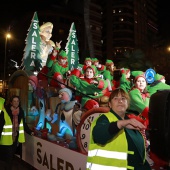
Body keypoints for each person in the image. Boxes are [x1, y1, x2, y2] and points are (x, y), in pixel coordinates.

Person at [86, 88, 151, 170]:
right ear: (109, 104)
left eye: (123, 99)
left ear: (128, 104)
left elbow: (139, 157)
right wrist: (121, 123)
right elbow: (99, 136)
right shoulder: (104, 119)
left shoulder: (131, 123)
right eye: (115, 98)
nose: (120, 101)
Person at [0, 95, 34, 170]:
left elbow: (23, 124)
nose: (16, 103)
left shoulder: (21, 112)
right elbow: (0, 124)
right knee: (8, 157)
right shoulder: (5, 111)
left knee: (11, 156)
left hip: (15, 138)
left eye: (17, 101)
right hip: (6, 139)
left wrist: (30, 132)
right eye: (14, 101)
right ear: (11, 102)